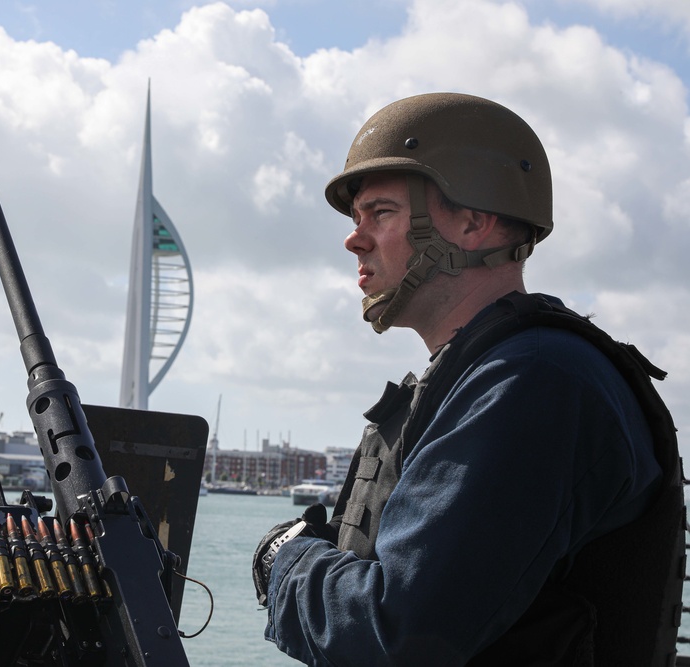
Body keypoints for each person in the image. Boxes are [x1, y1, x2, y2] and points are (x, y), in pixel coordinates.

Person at [253, 92, 684, 666]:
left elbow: (394, 635)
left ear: (474, 222)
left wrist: (286, 557)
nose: (354, 239)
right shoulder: (488, 377)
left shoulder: (533, 384)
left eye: (381, 213)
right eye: (357, 219)